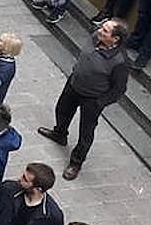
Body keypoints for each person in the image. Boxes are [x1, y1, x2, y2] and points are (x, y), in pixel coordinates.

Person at [36, 17, 130, 180]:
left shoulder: (120, 62)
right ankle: (60, 134)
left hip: (92, 98)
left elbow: (119, 89)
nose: (100, 30)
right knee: (62, 110)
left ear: (115, 39)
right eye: (102, 27)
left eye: (105, 31)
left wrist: (99, 102)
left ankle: (76, 163)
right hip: (74, 85)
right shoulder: (96, 37)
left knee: (85, 132)